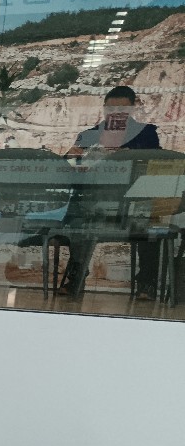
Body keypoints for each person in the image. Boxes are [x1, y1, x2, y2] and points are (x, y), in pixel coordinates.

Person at [59, 86, 162, 299]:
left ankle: (147, 283)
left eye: (122, 110)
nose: (116, 114)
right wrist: (72, 157)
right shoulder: (89, 135)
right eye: (111, 109)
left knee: (148, 223)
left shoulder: (146, 134)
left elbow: (154, 166)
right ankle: (76, 277)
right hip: (95, 202)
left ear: (132, 110)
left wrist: (126, 156)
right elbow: (65, 170)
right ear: (104, 108)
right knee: (79, 217)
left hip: (132, 201)